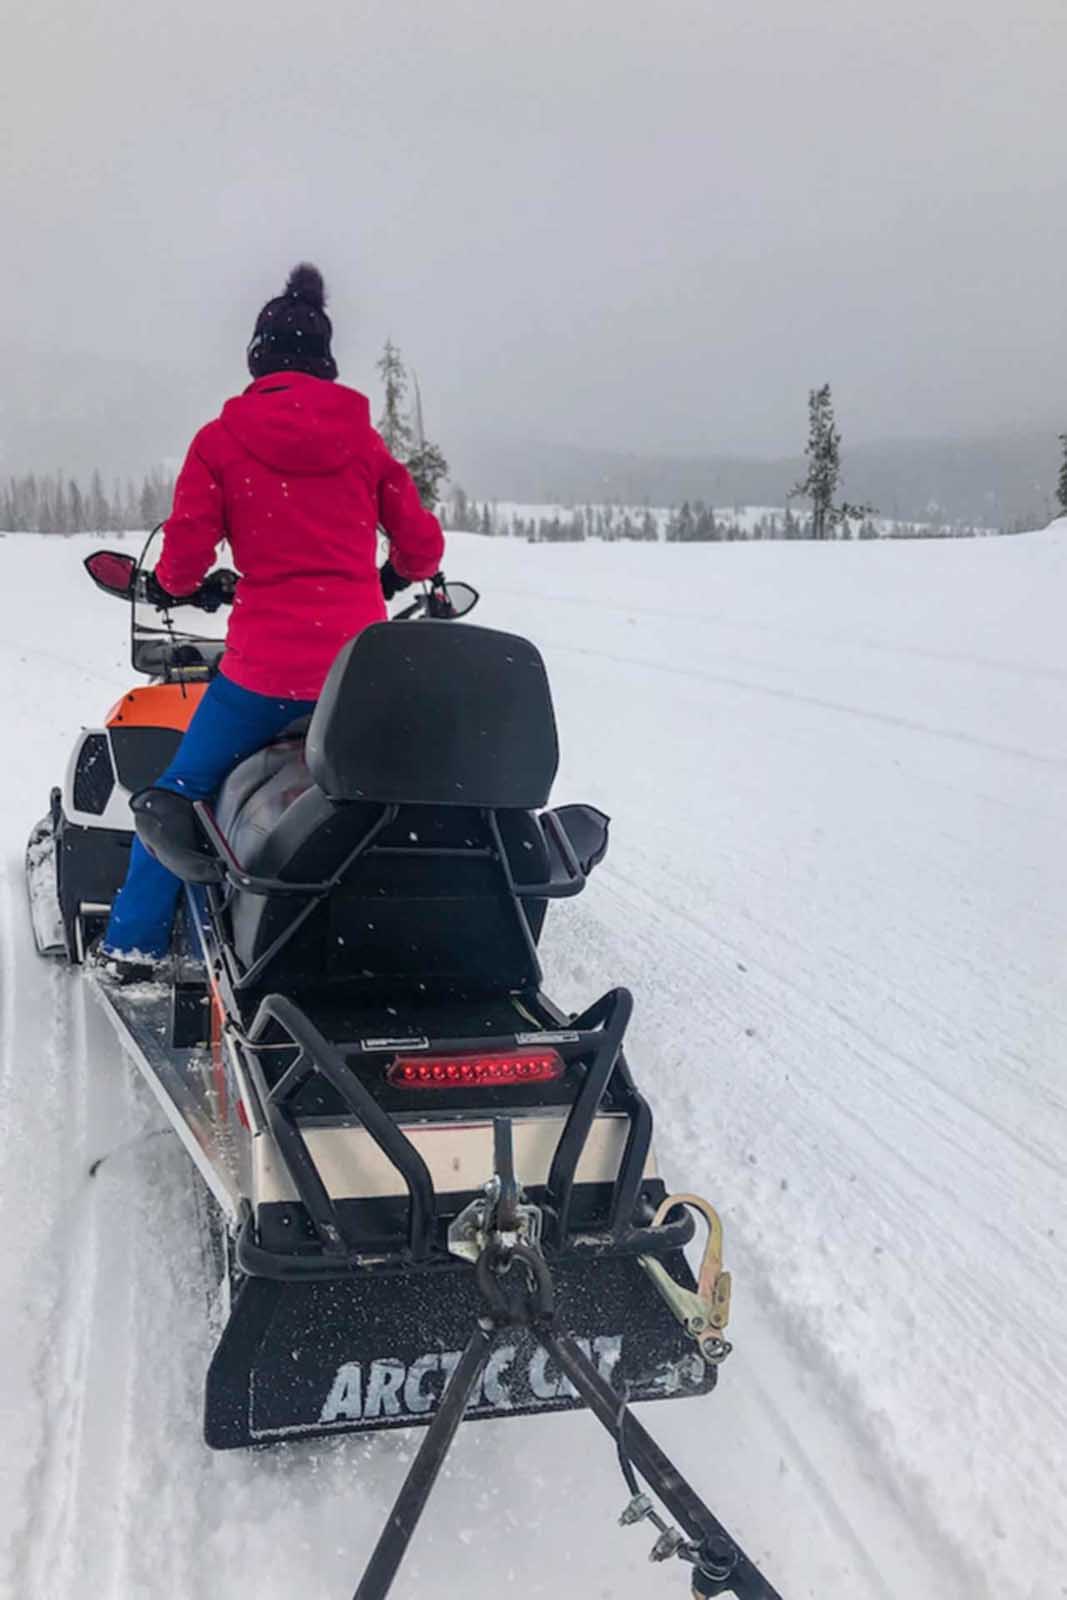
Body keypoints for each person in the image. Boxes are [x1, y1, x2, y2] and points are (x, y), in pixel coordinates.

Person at [100, 262, 444, 979]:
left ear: (258, 359)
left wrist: (178, 587)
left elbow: (185, 556)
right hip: (356, 673)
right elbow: (421, 547)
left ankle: (130, 945)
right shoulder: (363, 442)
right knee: (387, 794)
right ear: (324, 363)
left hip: (263, 674)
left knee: (177, 796)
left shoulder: (221, 441)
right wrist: (383, 578)